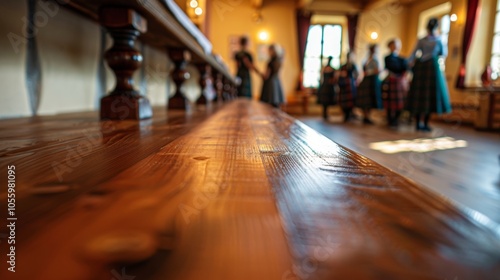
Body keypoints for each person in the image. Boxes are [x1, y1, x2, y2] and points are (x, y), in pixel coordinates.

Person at [407, 18, 451, 132]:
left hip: (429, 69)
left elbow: (443, 53)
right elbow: (413, 54)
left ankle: (424, 123)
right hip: (426, 68)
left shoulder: (438, 39)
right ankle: (419, 123)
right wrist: (407, 65)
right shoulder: (424, 40)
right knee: (420, 96)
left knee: (430, 96)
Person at [383, 38, 409, 128]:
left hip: (400, 82)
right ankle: (390, 119)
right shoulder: (387, 58)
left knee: (400, 102)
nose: (395, 47)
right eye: (393, 45)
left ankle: (396, 119)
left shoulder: (402, 59)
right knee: (389, 102)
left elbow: (405, 69)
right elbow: (392, 67)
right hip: (391, 81)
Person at [356, 44, 383, 124]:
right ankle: (365, 116)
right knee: (365, 100)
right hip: (366, 80)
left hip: (372, 80)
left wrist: (368, 72)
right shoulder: (367, 59)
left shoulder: (375, 60)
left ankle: (368, 116)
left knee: (370, 99)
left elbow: (377, 70)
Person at [338, 52, 359, 122]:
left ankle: (349, 114)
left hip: (351, 85)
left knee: (351, 101)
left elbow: (356, 74)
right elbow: (340, 74)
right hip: (344, 85)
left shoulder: (353, 66)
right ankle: (345, 115)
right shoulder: (343, 66)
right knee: (344, 101)